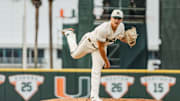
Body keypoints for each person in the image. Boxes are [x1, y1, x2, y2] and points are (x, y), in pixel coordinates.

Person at [61, 9, 137, 101]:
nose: (117, 20)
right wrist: (106, 61)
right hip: (89, 43)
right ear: (111, 18)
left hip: (101, 47)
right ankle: (70, 34)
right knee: (74, 55)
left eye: (119, 18)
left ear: (121, 20)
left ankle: (94, 97)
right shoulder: (104, 29)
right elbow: (101, 48)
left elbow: (120, 37)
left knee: (96, 71)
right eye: (115, 18)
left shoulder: (121, 27)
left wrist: (128, 40)